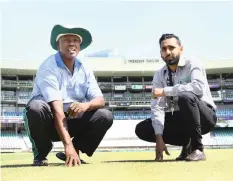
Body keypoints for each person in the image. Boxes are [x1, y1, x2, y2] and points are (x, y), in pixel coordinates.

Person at [23, 25, 113, 167]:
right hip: (49, 120)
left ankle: (75, 151)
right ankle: (41, 153)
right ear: (58, 44)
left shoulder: (85, 69)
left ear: (80, 46)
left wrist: (85, 105)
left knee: (105, 115)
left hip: (72, 119)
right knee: (35, 108)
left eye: (76, 40)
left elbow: (100, 100)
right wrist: (67, 144)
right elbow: (57, 110)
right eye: (67, 40)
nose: (72, 43)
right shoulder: (49, 66)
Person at [135, 34, 217, 161]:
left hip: (205, 117)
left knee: (185, 97)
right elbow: (157, 107)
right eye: (164, 49)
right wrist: (159, 138)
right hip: (180, 119)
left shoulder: (193, 63)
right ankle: (187, 144)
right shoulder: (159, 75)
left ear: (181, 49)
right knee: (142, 128)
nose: (167, 52)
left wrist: (165, 91)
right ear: (161, 53)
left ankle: (197, 149)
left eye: (171, 48)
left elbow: (198, 88)